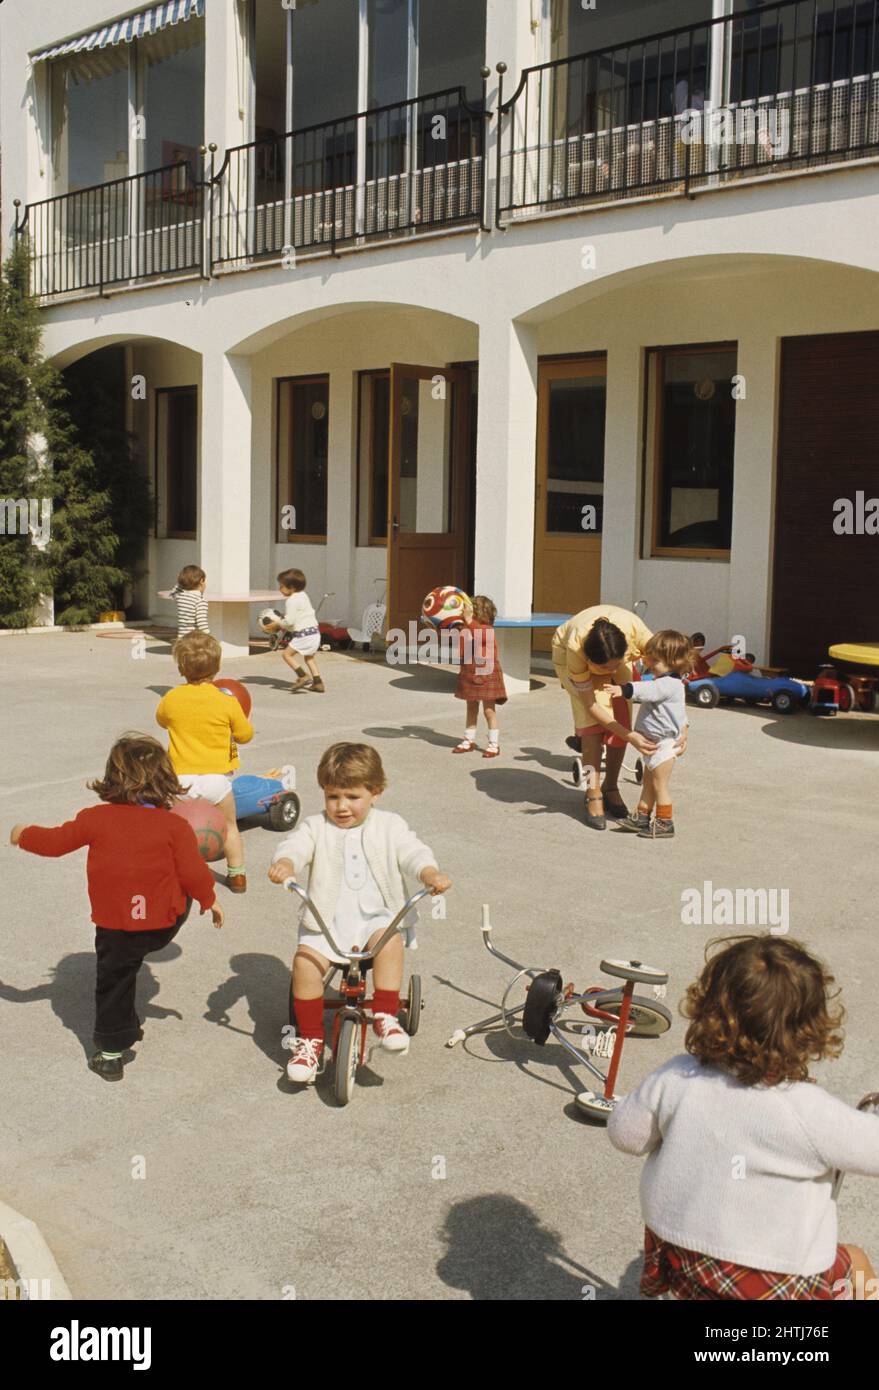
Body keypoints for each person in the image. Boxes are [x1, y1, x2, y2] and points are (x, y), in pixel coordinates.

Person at [607, 935, 879, 1301]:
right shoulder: (807, 1109)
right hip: (777, 1277)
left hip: (686, 1258)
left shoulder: (678, 1077)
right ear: (809, 1030)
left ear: (708, 1007)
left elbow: (626, 1136)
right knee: (857, 1264)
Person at [9, 734, 222, 1082]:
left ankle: (110, 1054)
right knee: (175, 892)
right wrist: (209, 900)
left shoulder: (95, 818)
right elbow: (193, 872)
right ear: (164, 780)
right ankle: (128, 1021)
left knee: (115, 981)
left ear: (112, 779)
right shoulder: (176, 825)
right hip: (161, 925)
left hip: (116, 927)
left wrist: (23, 834)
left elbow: (55, 843)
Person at [268, 742, 451, 1085]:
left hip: (375, 920)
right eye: (332, 796)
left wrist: (428, 873)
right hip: (327, 925)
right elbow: (295, 846)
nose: (341, 807)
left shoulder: (389, 825)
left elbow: (413, 851)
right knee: (304, 964)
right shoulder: (315, 826)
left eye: (352, 797)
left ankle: (384, 1013)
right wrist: (286, 863)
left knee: (388, 939)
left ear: (375, 793)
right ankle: (309, 1039)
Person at [552, 605, 667, 830]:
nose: (610, 670)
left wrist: (678, 723)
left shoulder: (638, 634)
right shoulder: (576, 650)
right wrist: (630, 735)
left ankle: (610, 786)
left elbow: (666, 679)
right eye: (604, 667)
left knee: (621, 715)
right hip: (568, 658)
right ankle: (592, 792)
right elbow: (591, 704)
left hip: (612, 650)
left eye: (616, 664)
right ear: (590, 659)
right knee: (590, 726)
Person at [156, 631, 253, 893]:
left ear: (180, 668)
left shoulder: (171, 698)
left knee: (173, 832)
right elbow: (245, 736)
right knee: (230, 826)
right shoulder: (226, 701)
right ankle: (237, 876)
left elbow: (161, 720)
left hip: (179, 781)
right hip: (216, 780)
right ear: (218, 667)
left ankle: (174, 875)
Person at [603, 629, 691, 840]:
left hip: (662, 746)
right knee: (649, 783)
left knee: (659, 785)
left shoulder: (668, 684)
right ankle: (642, 815)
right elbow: (681, 715)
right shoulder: (671, 683)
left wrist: (623, 690)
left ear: (675, 662)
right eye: (649, 659)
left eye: (655, 661)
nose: (650, 665)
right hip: (656, 744)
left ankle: (665, 822)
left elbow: (648, 690)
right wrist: (685, 729)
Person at [452, 595, 507, 759]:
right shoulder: (468, 627)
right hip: (470, 671)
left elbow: (479, 635)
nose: (469, 611)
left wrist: (468, 621)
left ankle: (493, 744)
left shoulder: (486, 629)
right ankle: (468, 740)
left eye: (473, 608)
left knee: (489, 711)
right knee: (471, 707)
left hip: (485, 672)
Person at [276, 568, 325, 693]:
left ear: (291, 587)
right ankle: (318, 683)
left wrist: (278, 623)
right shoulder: (303, 595)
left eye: (281, 586)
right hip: (314, 633)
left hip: (303, 635)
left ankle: (302, 675)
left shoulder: (291, 601)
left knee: (286, 655)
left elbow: (290, 622)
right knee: (309, 658)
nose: (279, 589)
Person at [169, 565, 209, 637]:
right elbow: (202, 623)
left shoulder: (180, 597)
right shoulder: (200, 600)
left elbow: (173, 593)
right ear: (201, 581)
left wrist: (182, 582)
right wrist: (209, 637)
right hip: (194, 639)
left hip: (182, 638)